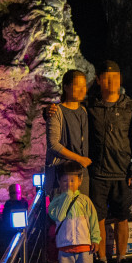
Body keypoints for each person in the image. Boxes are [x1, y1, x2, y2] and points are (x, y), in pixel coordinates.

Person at [87, 60, 132, 263]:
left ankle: (122, 260)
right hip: (98, 175)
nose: (112, 82)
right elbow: (69, 112)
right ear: (99, 80)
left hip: (122, 174)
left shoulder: (131, 107)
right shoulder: (90, 107)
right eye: (107, 78)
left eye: (116, 77)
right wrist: (50, 112)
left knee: (123, 219)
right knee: (98, 220)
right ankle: (101, 261)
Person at [47, 160, 101, 263]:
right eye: (65, 180)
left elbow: (93, 221)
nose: (69, 184)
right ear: (59, 181)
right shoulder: (56, 201)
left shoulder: (85, 201)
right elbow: (58, 216)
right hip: (65, 244)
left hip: (84, 244)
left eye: (72, 180)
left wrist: (95, 239)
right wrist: (67, 197)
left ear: (79, 181)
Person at [45, 69, 91, 197]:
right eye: (77, 86)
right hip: (62, 175)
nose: (82, 89)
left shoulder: (84, 112)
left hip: (81, 174)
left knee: (81, 214)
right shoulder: (56, 111)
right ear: (66, 87)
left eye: (84, 86)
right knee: (62, 215)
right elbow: (53, 144)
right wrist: (79, 159)